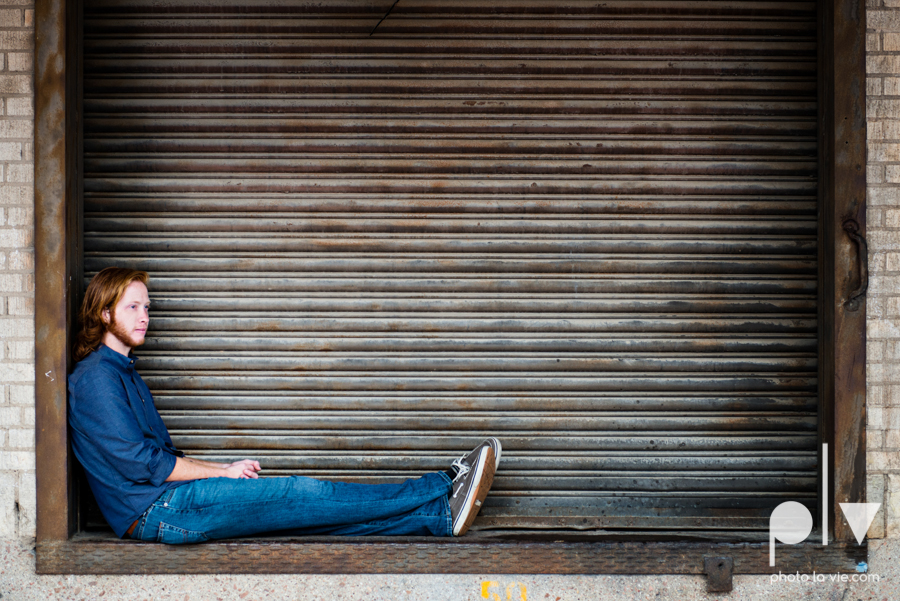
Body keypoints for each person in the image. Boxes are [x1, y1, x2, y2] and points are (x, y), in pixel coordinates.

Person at [67, 267, 500, 544]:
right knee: (303, 492)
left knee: (311, 516)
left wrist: (222, 471)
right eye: (133, 306)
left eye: (148, 306)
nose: (145, 315)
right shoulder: (96, 378)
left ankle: (438, 517)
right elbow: (143, 463)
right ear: (104, 314)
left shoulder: (124, 372)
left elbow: (155, 459)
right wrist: (223, 471)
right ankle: (442, 483)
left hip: (165, 501)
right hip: (155, 510)